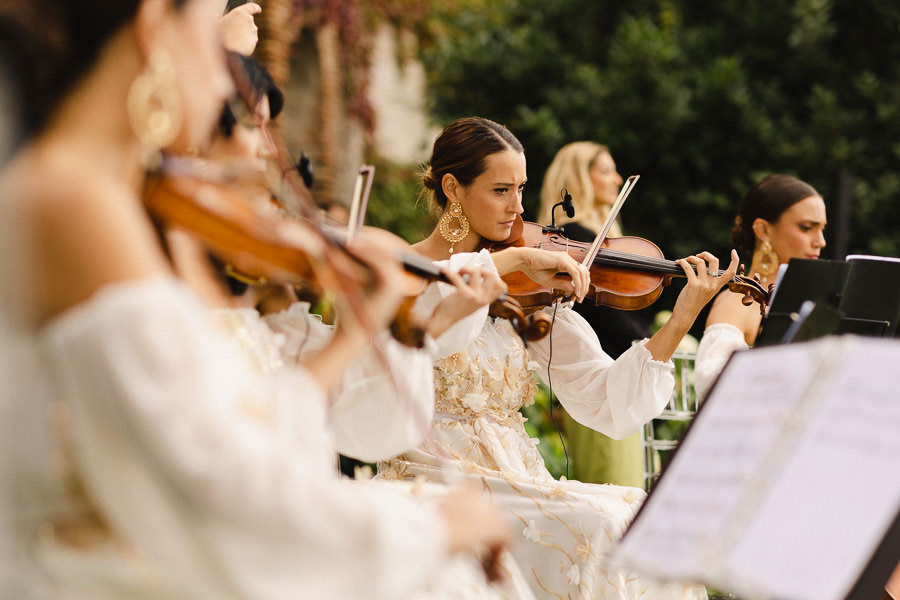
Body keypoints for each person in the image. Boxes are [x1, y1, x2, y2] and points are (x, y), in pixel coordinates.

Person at [0, 2, 513, 598]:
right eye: (215, 51)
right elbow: (223, 495)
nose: (224, 81)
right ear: (152, 30)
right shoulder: (75, 201)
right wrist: (430, 527)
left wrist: (360, 327)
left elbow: (220, 431)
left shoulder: (87, 191)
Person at [379, 116, 737, 599]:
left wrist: (683, 315)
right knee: (600, 525)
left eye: (522, 189)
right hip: (436, 472)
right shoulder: (403, 267)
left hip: (516, 474)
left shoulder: (528, 290)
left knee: (643, 519)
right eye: (501, 190)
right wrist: (511, 262)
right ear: (453, 188)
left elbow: (605, 401)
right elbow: (426, 319)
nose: (519, 208)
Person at [536, 140, 654, 487]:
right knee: (615, 496)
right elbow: (611, 325)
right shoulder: (575, 240)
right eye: (605, 170)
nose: (616, 178)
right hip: (601, 388)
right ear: (579, 177)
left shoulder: (596, 242)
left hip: (615, 387)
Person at [694, 174, 827, 400]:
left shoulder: (813, 299)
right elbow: (711, 389)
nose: (820, 241)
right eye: (806, 228)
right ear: (764, 230)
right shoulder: (737, 301)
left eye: (822, 229)